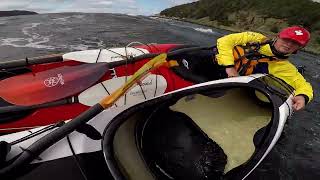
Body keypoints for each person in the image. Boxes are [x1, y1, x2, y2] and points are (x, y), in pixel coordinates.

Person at [214, 26, 313, 111]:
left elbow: (303, 85)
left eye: (295, 43)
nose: (289, 44)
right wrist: (229, 67)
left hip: (224, 83)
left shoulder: (284, 67)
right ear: (278, 37)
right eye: (286, 39)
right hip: (212, 63)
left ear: (298, 48)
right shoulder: (255, 38)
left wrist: (302, 97)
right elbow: (224, 41)